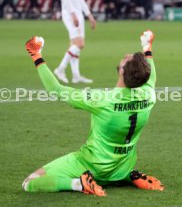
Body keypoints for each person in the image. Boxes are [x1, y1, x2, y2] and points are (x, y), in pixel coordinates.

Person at [22, 30, 164, 196]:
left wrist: (35, 54)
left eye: (127, 58)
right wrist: (147, 47)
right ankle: (129, 175)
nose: (127, 55)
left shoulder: (102, 100)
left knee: (30, 182)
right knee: (120, 166)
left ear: (122, 71)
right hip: (121, 166)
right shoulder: (149, 94)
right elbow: (151, 75)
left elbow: (56, 89)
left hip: (92, 165)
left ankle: (79, 184)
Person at [54, 0, 96, 84]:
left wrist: (89, 14)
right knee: (80, 44)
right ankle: (60, 69)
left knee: (74, 46)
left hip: (78, 14)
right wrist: (72, 14)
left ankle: (76, 76)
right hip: (70, 14)